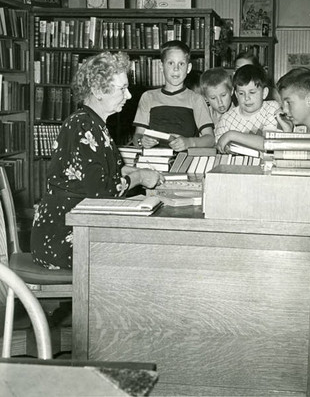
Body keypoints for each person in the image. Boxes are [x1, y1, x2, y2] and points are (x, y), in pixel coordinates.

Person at [30, 52, 164, 270]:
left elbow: (111, 171)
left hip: (77, 226)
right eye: (122, 88)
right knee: (143, 255)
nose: (129, 95)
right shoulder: (83, 126)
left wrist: (143, 173)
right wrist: (139, 177)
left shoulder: (93, 124)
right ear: (98, 91)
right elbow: (102, 192)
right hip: (63, 237)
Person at [133, 40, 214, 152]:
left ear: (188, 68)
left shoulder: (196, 99)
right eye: (171, 63)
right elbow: (137, 136)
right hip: (153, 161)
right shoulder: (148, 97)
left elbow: (210, 139)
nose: (176, 69)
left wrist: (189, 142)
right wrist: (142, 141)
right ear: (161, 67)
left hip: (184, 161)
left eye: (181, 64)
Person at [215, 64, 286, 152]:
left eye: (252, 92)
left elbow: (269, 144)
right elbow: (219, 148)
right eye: (241, 93)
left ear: (264, 93)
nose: (246, 98)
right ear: (236, 95)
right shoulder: (226, 119)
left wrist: (231, 135)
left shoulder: (272, 108)